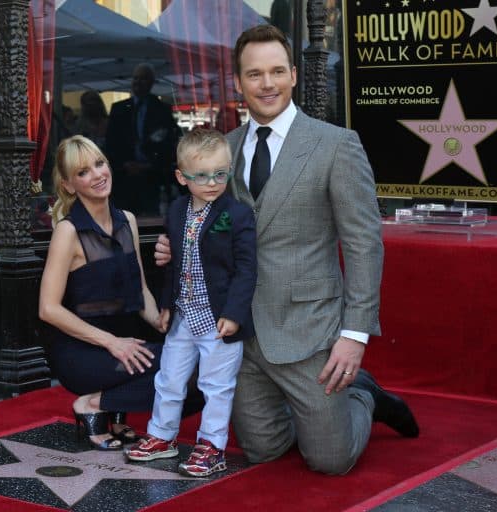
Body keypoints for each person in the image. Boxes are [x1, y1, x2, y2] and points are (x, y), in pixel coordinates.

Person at [155, 25, 419, 474]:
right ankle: (309, 416)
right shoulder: (224, 149)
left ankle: (364, 396)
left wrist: (354, 335)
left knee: (330, 461)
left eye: (277, 71)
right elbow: (205, 221)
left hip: (309, 329)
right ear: (238, 82)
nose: (267, 83)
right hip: (238, 332)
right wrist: (176, 246)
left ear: (294, 75)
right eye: (254, 74)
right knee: (263, 450)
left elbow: (362, 245)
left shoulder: (336, 145)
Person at [125, 128, 257, 477]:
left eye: (220, 173)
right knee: (168, 378)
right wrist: (167, 304)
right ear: (181, 177)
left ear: (230, 169)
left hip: (218, 319)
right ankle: (162, 436)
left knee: (216, 385)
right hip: (184, 314)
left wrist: (234, 313)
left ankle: (212, 446)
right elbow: (173, 264)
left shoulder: (237, 214)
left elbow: (247, 270)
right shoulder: (177, 209)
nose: (212, 182)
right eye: (201, 176)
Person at [39, 135, 165, 451]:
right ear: (69, 185)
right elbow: (48, 309)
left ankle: (111, 407)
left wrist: (162, 322)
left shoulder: (129, 222)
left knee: (194, 357)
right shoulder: (68, 232)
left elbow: (140, 290)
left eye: (99, 164)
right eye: (83, 172)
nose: (97, 175)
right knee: (179, 363)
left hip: (126, 343)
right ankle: (93, 404)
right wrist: (111, 342)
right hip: (83, 353)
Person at [106, 63, 180, 216]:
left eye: (143, 79)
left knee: (149, 218)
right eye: (135, 78)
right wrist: (124, 164)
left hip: (151, 175)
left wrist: (148, 165)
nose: (138, 82)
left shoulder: (161, 109)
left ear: (151, 83)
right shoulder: (119, 108)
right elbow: (111, 142)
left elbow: (168, 143)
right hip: (124, 177)